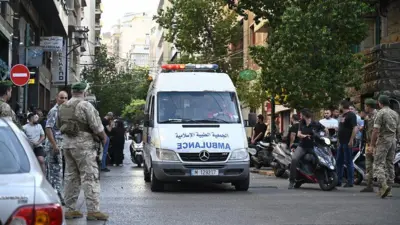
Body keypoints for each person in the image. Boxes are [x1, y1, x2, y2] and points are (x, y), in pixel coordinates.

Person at [57, 82, 108, 220]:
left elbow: (58, 125)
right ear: (84, 92)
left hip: (67, 145)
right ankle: (93, 211)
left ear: (73, 92)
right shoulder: (86, 105)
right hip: (83, 146)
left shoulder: (63, 106)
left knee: (70, 177)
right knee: (89, 176)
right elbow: (97, 127)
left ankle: (70, 209)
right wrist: (104, 138)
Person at [371, 95, 400, 198]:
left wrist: (372, 144)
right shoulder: (395, 113)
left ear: (380, 103)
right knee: (390, 164)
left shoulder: (381, 113)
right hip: (393, 140)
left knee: (378, 163)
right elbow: (398, 129)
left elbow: (375, 130)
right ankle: (390, 189)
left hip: (383, 140)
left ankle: (384, 185)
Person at [288, 109, 325, 189]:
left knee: (321, 161)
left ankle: (325, 180)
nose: (300, 116)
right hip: (303, 146)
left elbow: (325, 130)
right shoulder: (301, 123)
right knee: (294, 159)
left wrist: (324, 136)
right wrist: (304, 136)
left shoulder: (316, 123)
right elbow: (298, 134)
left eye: (301, 114)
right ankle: (291, 181)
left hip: (314, 146)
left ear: (305, 115)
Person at [45, 91, 68, 205]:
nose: (63, 100)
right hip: (54, 144)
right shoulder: (54, 111)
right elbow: (48, 128)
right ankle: (55, 197)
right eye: (61, 97)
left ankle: (57, 195)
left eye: (66, 98)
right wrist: (54, 145)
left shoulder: (63, 111)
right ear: (56, 98)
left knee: (58, 171)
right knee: (55, 172)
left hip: (60, 143)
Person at [336, 100, 358, 187]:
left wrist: (351, 140)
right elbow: (341, 128)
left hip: (347, 142)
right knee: (339, 162)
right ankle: (338, 180)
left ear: (342, 106)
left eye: (339, 105)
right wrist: (338, 141)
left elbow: (355, 128)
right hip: (341, 142)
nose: (338, 107)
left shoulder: (351, 115)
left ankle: (350, 181)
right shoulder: (343, 115)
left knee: (348, 161)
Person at [360, 98, 378, 193]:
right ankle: (369, 185)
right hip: (368, 143)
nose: (364, 108)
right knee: (368, 165)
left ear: (369, 106)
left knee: (378, 165)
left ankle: (383, 186)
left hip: (376, 144)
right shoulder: (368, 117)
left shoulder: (377, 116)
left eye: (365, 106)